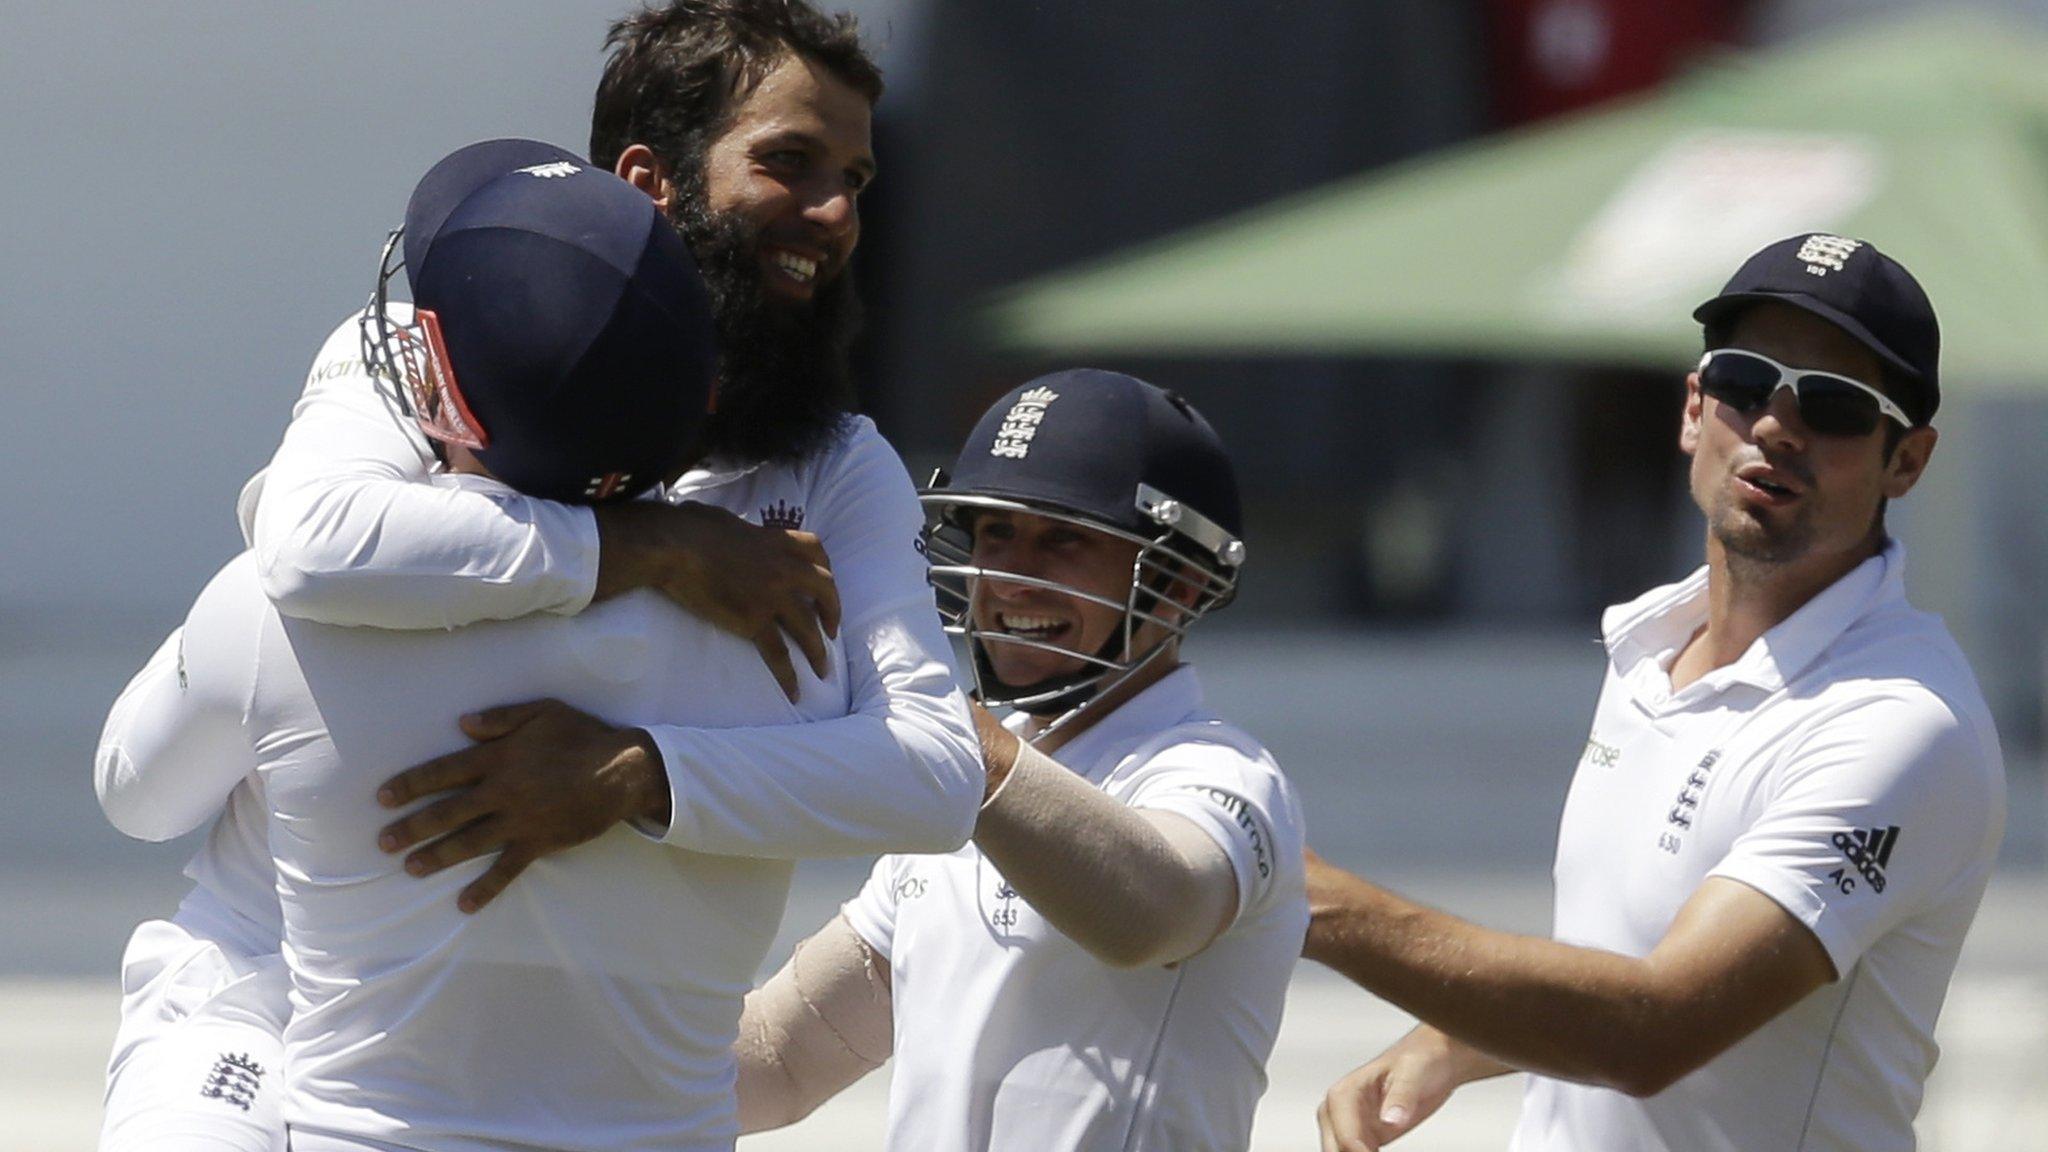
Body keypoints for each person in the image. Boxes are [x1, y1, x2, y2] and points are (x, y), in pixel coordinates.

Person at [98, 4, 980, 1148]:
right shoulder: (440, 346)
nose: (836, 213)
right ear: (647, 179)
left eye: (855, 178)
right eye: (789, 162)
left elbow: (931, 776)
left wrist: (635, 776)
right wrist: (649, 550)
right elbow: (311, 547)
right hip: (271, 1004)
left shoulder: (836, 461)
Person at [1305, 234, 2005, 1152]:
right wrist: (1453, 1036)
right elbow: (1640, 948)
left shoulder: (1902, 724)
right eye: (1748, 382)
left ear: (1906, 463)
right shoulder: (1651, 651)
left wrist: (1305, 898)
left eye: (1834, 405)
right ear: (1693, 408)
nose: (1776, 427)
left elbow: (1653, 1027)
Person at [730, 369, 1311, 1151]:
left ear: (1177, 581)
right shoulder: (967, 773)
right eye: (995, 534)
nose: (1006, 578)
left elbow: (1151, 913)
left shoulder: (1220, 772)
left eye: (1062, 540)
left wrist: (937, 716)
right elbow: (778, 1063)